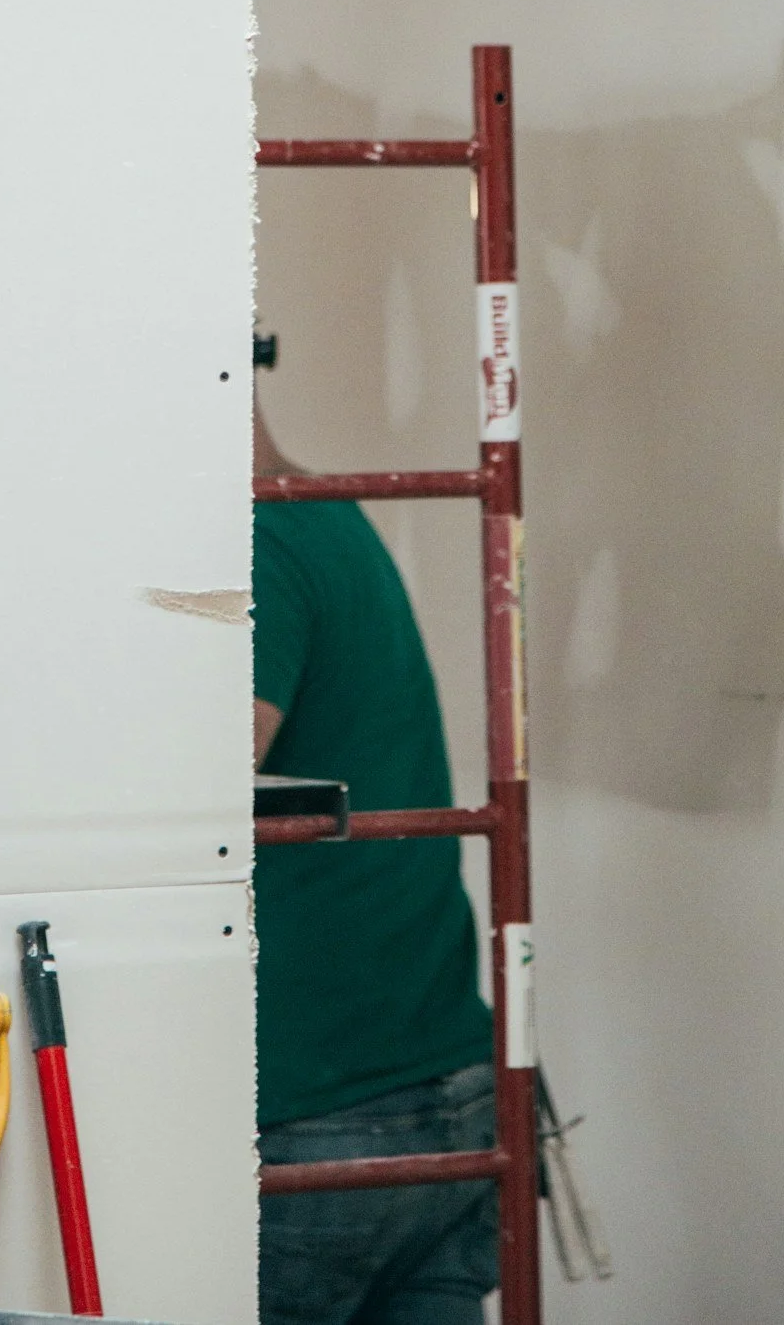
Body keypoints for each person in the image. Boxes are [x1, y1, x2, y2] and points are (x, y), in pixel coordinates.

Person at [253, 391, 499, 1325]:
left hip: (323, 1111)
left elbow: (190, 783)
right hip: (446, 1083)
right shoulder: (323, 515)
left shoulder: (250, 541)